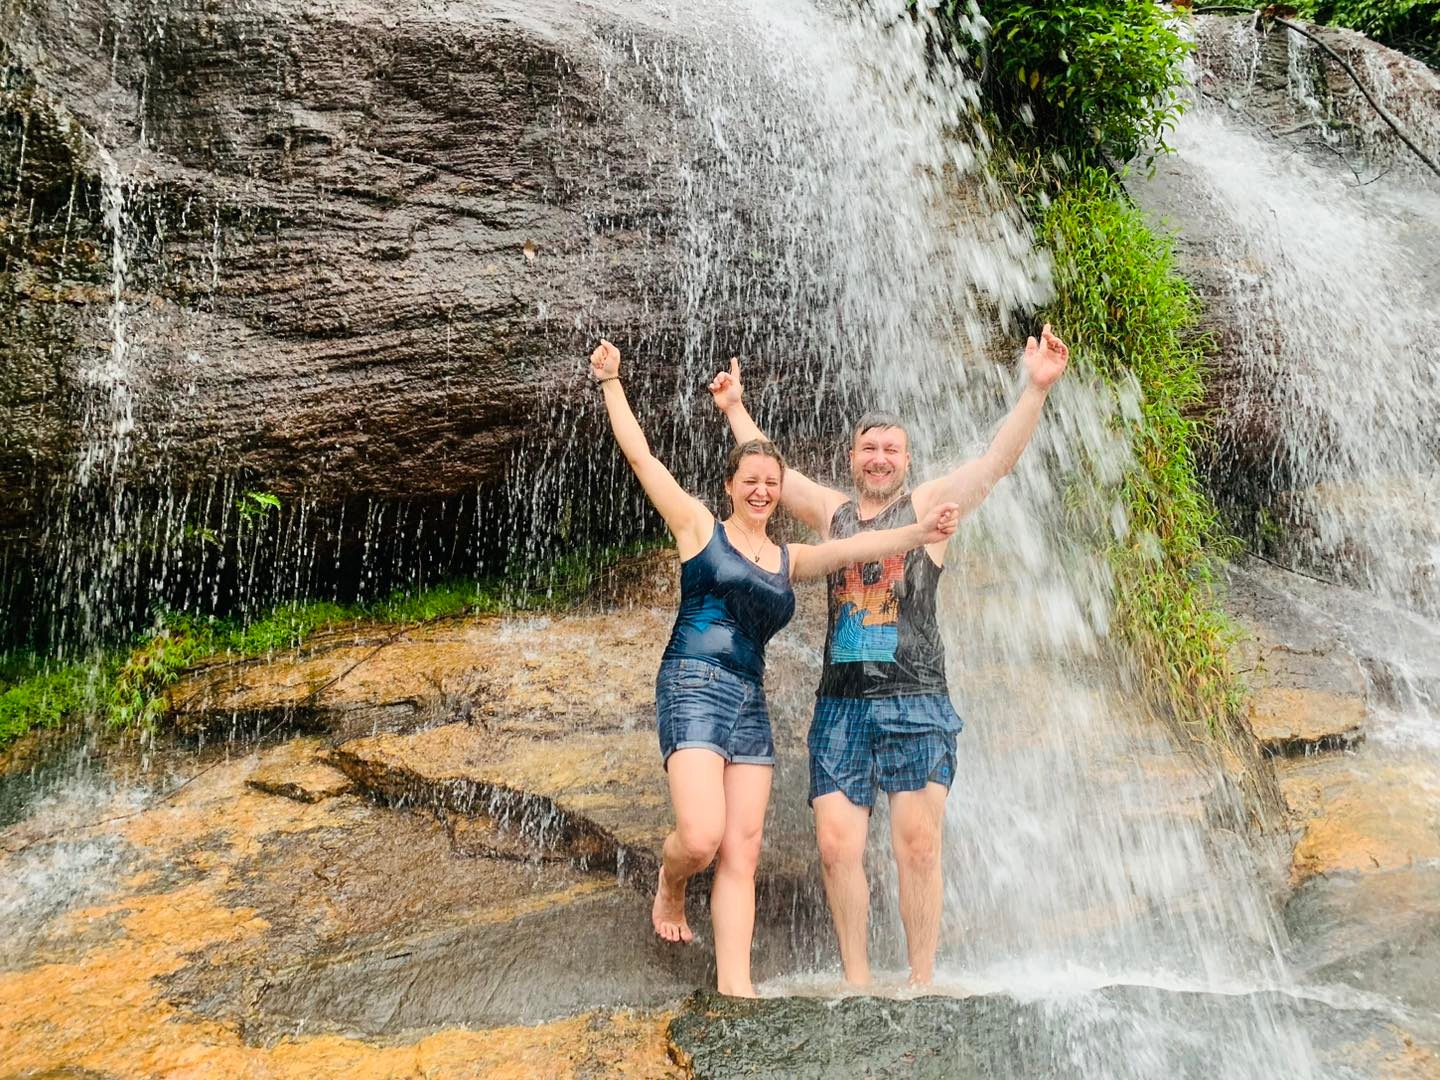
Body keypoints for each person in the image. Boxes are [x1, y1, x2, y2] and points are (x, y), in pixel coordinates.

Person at [589, 338, 961, 998]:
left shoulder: (790, 558)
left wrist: (919, 532)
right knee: (701, 837)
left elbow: (861, 543)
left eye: (770, 484)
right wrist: (612, 384)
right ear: (728, 487)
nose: (762, 491)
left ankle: (738, 990)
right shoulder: (697, 527)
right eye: (748, 482)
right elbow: (642, 458)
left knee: (745, 844)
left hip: (748, 698)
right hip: (692, 682)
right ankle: (670, 884)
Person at [708, 324, 1071, 986]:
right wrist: (735, 409)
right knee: (835, 847)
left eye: (891, 450)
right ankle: (857, 983)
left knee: (919, 847)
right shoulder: (835, 512)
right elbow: (774, 482)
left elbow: (993, 465)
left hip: (916, 699)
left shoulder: (928, 506)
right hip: (840, 709)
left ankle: (921, 981)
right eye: (869, 448)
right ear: (853, 459)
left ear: (907, 460)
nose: (879, 458)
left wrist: (1036, 391)